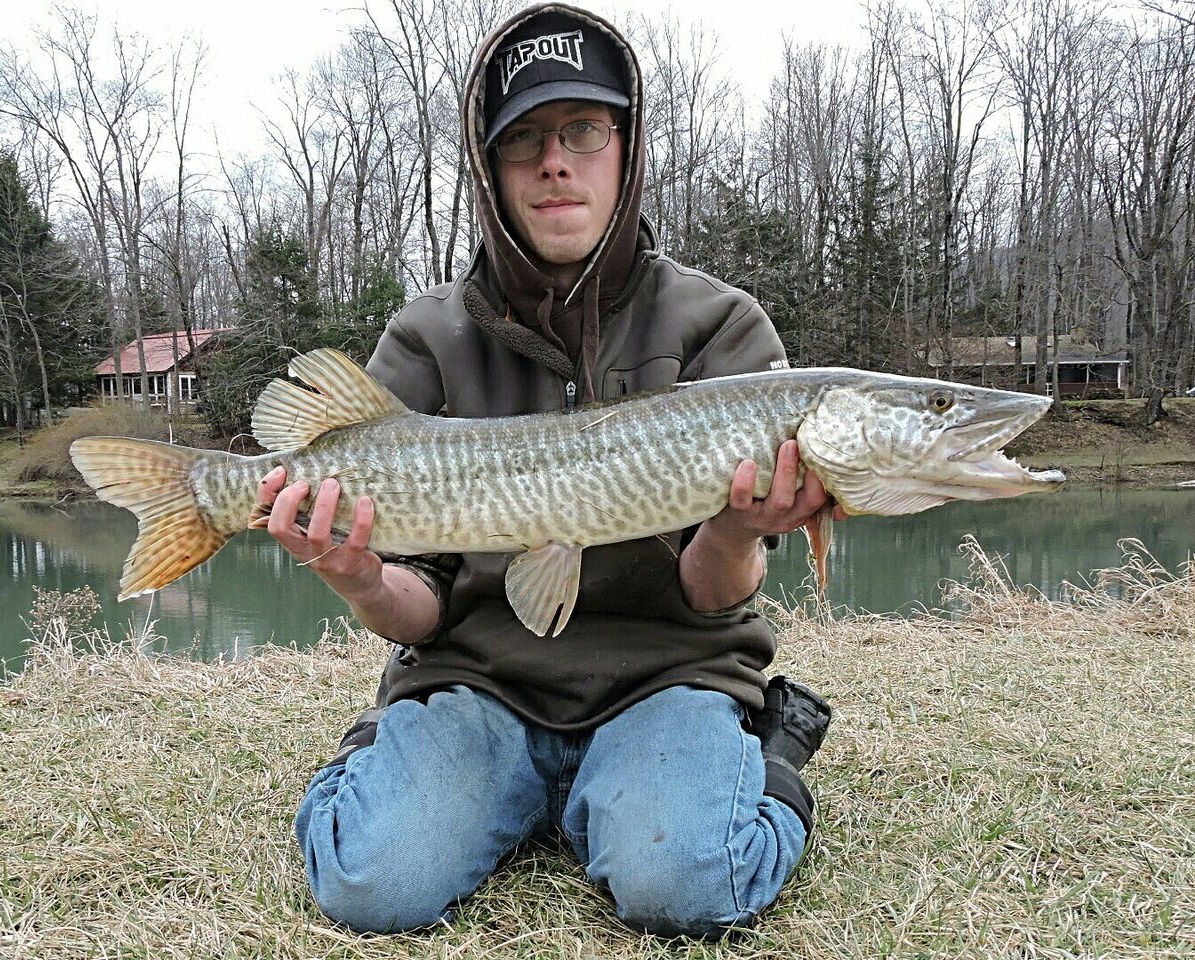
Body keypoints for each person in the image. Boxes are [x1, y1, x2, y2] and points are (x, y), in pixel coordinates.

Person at [256, 3, 833, 939]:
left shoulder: (719, 327)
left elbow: (715, 598)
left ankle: (769, 753)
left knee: (687, 887)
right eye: (524, 140)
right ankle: (396, 759)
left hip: (668, 676)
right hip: (476, 683)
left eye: (583, 131)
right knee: (369, 884)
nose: (555, 161)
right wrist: (355, 571)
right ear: (489, 171)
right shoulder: (427, 336)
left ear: (626, 149)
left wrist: (733, 526)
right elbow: (426, 608)